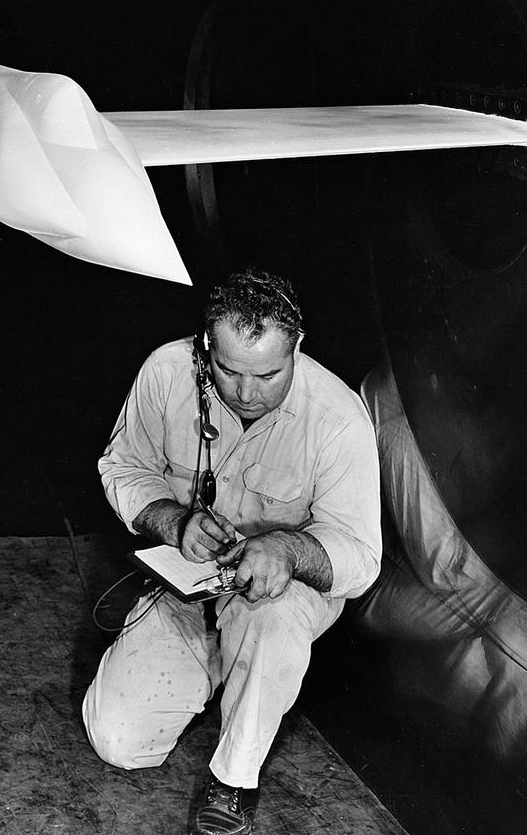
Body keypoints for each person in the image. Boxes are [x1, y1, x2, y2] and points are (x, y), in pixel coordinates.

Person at [83, 268, 381, 835]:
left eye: (269, 374)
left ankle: (234, 778)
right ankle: (226, 669)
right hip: (186, 584)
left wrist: (289, 550)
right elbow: (122, 466)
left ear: (297, 347)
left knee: (268, 619)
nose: (246, 393)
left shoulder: (338, 417)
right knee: (118, 741)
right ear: (204, 348)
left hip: (280, 595)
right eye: (227, 370)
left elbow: (362, 557)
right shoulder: (166, 372)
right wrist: (172, 521)